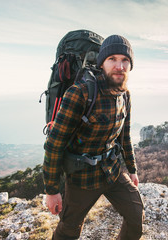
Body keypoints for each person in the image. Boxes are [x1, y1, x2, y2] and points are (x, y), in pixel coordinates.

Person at [43, 34, 144, 240]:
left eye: (125, 60)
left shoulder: (125, 95)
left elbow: (124, 136)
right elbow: (54, 143)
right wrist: (52, 191)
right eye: (112, 59)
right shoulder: (80, 93)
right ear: (102, 63)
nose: (120, 66)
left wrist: (132, 170)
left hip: (112, 171)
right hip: (82, 178)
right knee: (69, 229)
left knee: (135, 215)